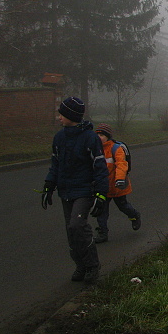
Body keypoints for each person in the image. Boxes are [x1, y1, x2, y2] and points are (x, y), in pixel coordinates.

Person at [40, 96, 108, 284]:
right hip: (66, 190)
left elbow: (100, 168)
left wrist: (101, 195)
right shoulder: (59, 138)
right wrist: (49, 185)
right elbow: (55, 164)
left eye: (62, 114)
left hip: (84, 190)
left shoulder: (90, 138)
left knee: (77, 226)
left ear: (71, 115)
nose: (59, 117)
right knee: (71, 232)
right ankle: (81, 265)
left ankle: (92, 264)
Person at [92, 123, 141, 243]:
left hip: (117, 186)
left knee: (123, 206)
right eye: (97, 134)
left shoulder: (116, 149)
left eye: (102, 135)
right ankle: (103, 233)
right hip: (103, 188)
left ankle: (135, 216)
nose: (99, 137)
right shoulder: (95, 149)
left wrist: (119, 179)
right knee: (102, 210)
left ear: (108, 136)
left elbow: (121, 165)